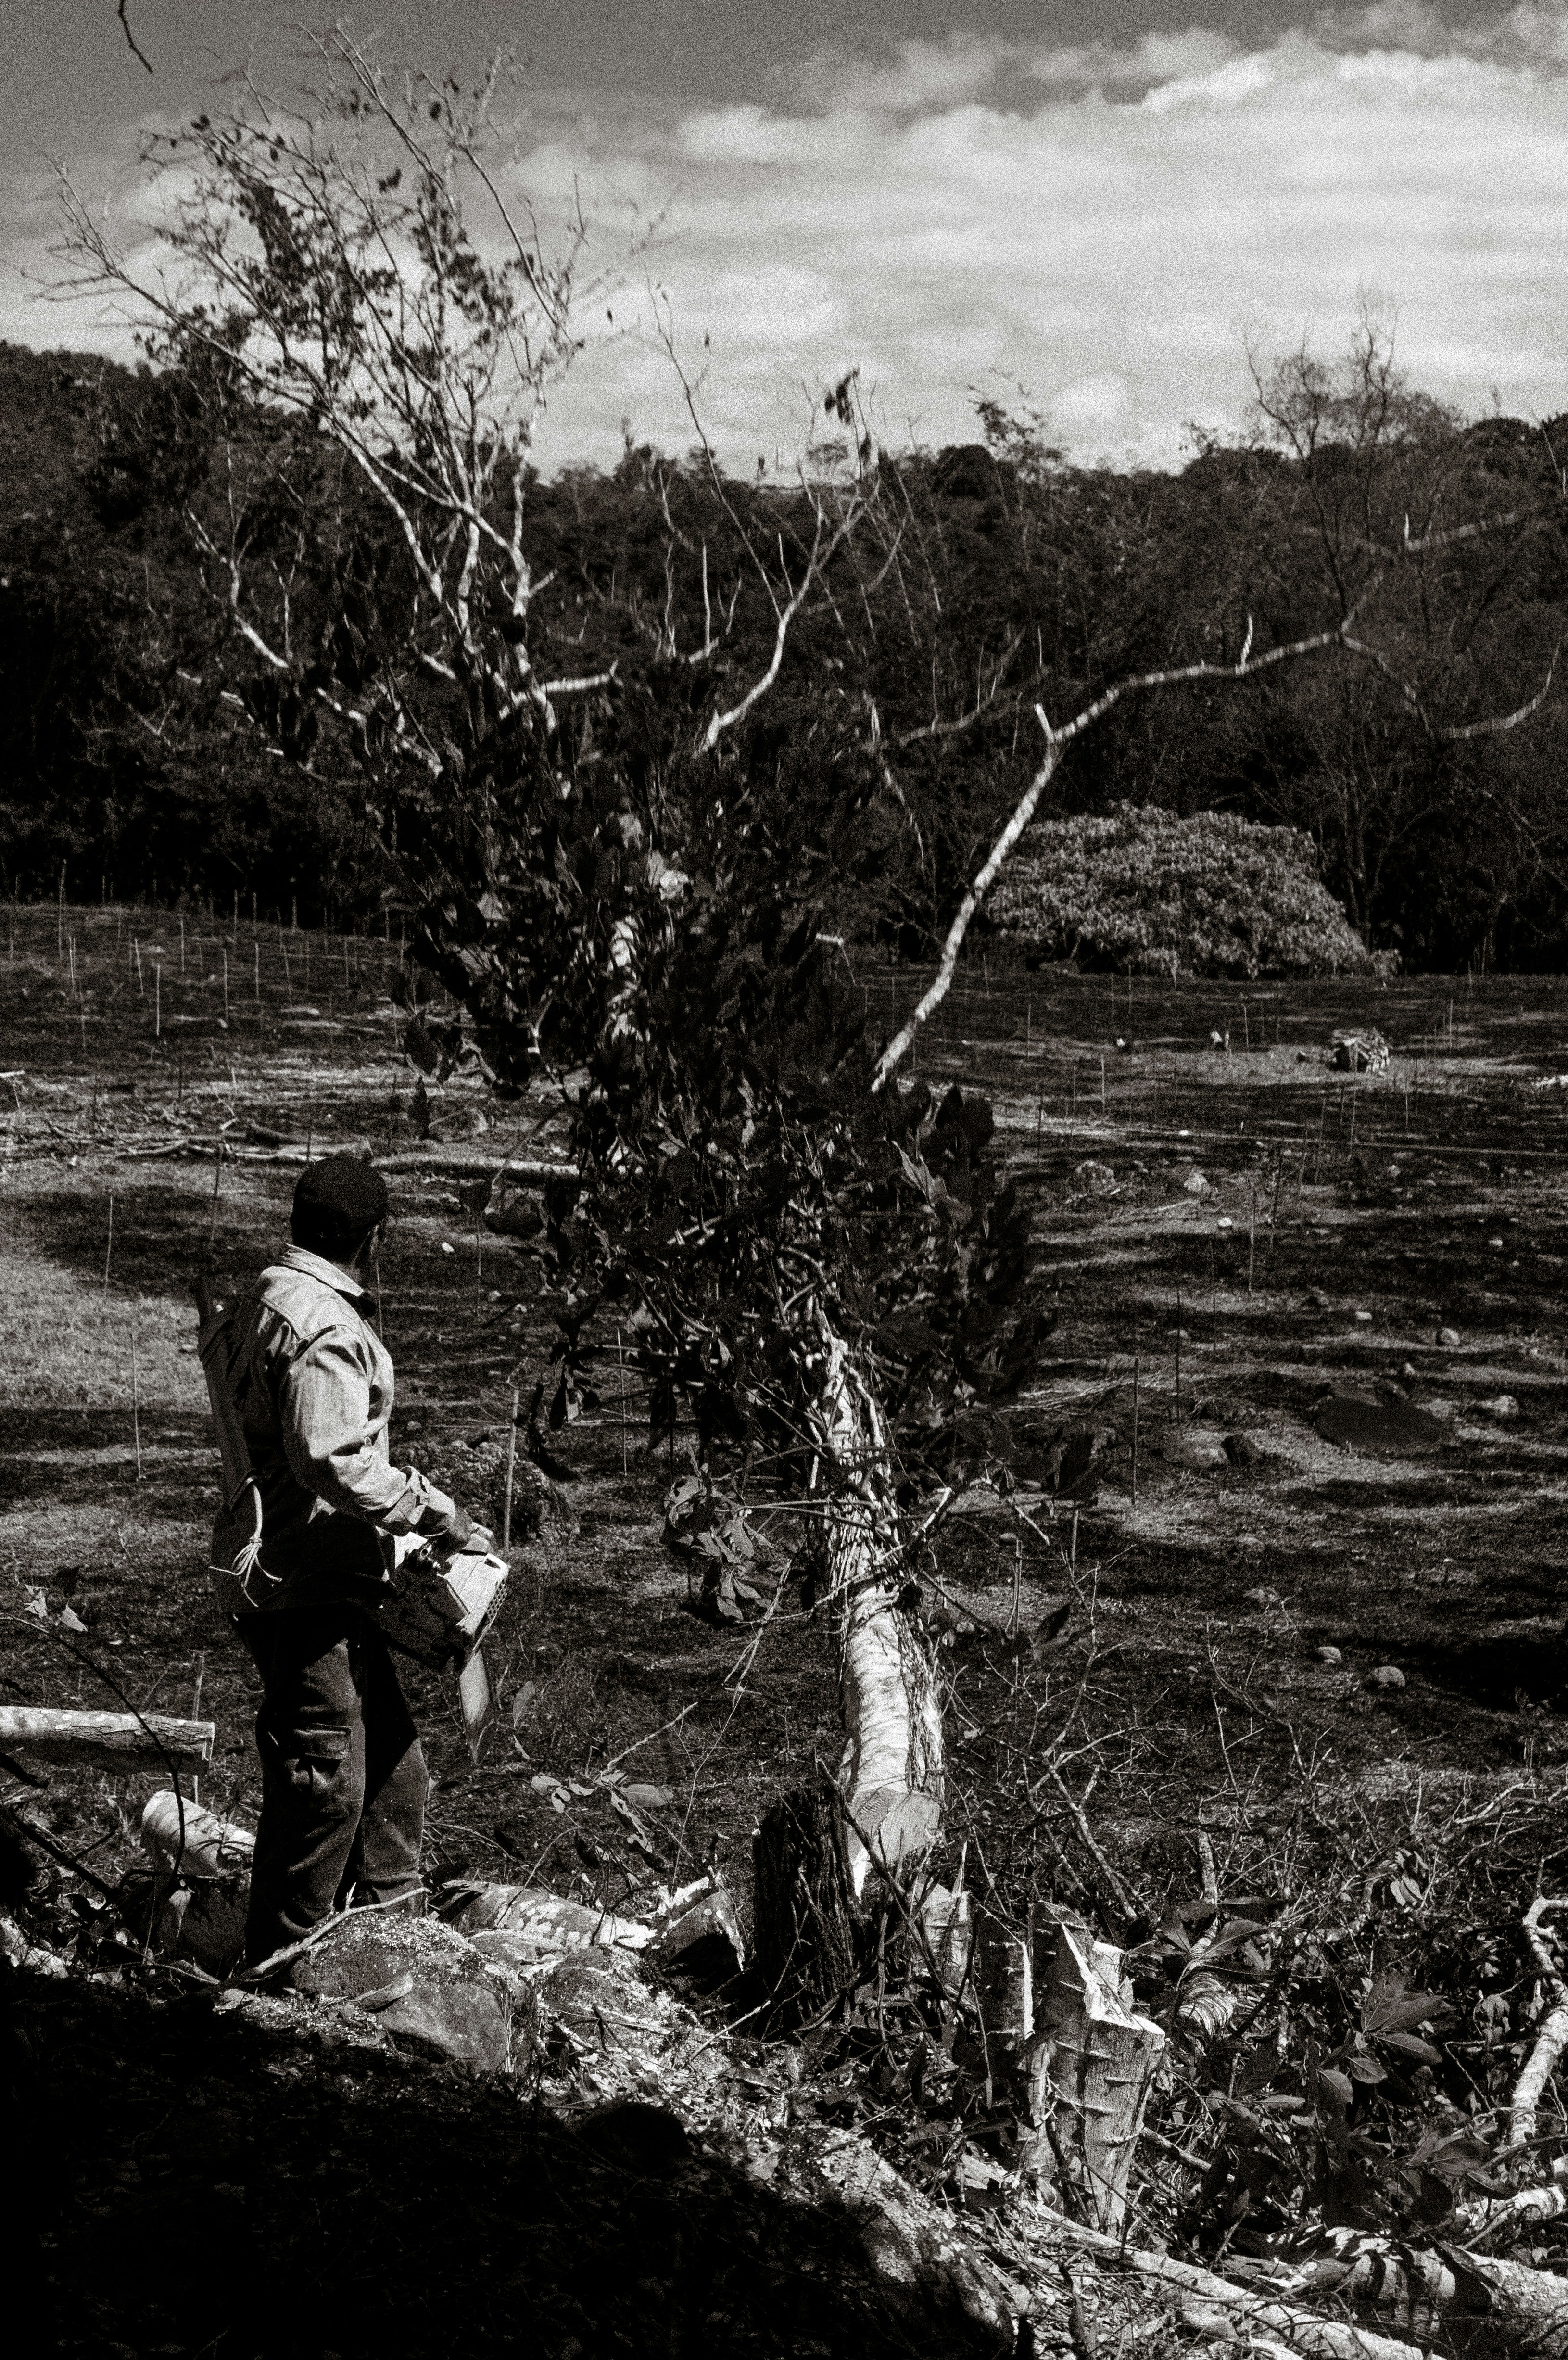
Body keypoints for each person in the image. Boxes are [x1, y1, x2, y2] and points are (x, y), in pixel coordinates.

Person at [210, 1155, 481, 1964]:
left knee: (396, 1768)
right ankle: (282, 1967)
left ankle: (396, 1945)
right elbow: (331, 1459)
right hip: (298, 1582)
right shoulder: (321, 1324)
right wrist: (436, 1514)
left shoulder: (261, 1295)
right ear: (374, 1238)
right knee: (326, 1782)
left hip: (320, 1572)